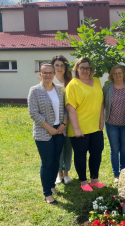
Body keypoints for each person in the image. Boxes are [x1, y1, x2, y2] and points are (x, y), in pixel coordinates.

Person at [28, 62, 67, 204]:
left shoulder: (60, 89)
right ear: (40, 74)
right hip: (43, 132)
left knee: (56, 160)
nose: (48, 75)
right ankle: (47, 193)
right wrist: (49, 128)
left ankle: (51, 185)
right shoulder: (35, 90)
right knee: (47, 162)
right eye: (45, 72)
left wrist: (63, 124)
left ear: (54, 74)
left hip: (59, 130)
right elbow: (33, 113)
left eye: (50, 72)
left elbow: (65, 109)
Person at [65, 57, 106, 192]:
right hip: (79, 127)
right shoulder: (73, 84)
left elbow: (100, 102)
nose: (85, 70)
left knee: (97, 152)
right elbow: (70, 108)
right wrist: (76, 128)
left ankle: (94, 180)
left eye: (87, 68)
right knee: (81, 154)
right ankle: (83, 182)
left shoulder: (96, 81)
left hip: (95, 126)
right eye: (82, 67)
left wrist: (101, 119)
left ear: (91, 70)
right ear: (77, 68)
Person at [103, 65, 125, 185]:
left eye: (120, 73)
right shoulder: (107, 88)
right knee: (114, 149)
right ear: (111, 75)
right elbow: (102, 105)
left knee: (124, 149)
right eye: (115, 73)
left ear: (124, 74)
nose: (118, 75)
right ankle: (116, 175)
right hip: (111, 123)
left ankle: (123, 172)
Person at [51, 55, 73, 185]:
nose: (59, 68)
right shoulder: (49, 80)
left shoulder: (70, 82)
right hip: (54, 121)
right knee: (57, 147)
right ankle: (59, 174)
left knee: (68, 147)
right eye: (57, 65)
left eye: (62, 65)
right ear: (53, 67)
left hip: (69, 119)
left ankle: (66, 173)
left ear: (65, 68)